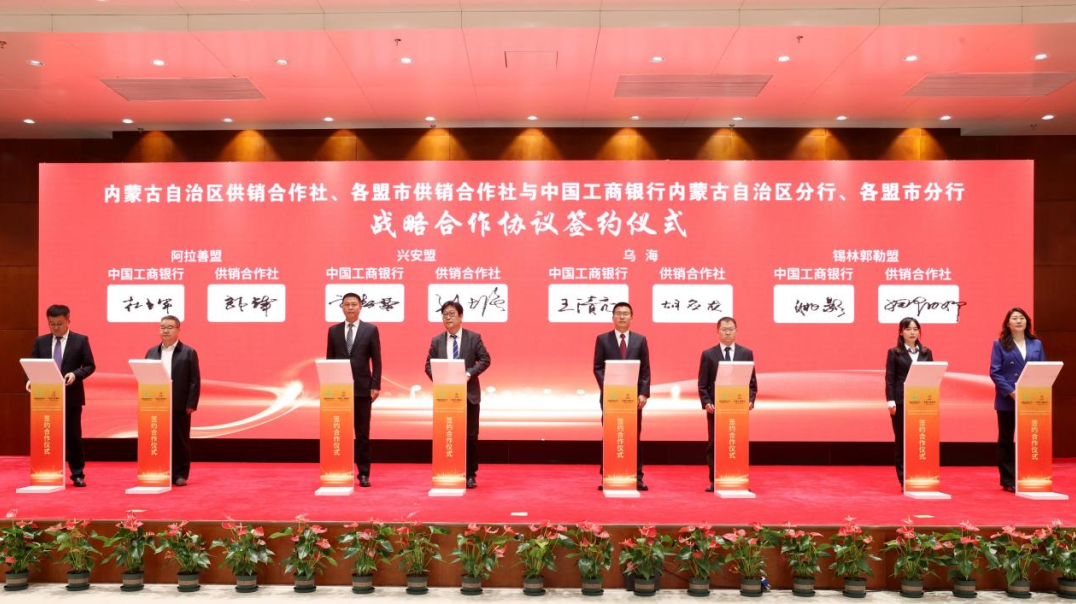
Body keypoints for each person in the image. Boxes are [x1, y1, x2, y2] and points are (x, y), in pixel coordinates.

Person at [424, 301, 491, 489]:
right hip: (445, 397)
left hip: (468, 395)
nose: (448, 317)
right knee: (447, 435)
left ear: (461, 316)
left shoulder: (473, 338)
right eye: (445, 314)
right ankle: (448, 470)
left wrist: (469, 373)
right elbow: (428, 365)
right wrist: (439, 377)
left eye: (452, 314)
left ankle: (470, 474)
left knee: (470, 436)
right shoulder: (437, 340)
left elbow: (485, 359)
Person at [29, 304, 96, 487]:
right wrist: (30, 380)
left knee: (73, 436)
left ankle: (77, 474)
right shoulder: (41, 341)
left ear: (68, 320)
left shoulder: (80, 340)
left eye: (59, 323)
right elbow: (32, 365)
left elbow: (90, 366)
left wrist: (76, 374)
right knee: (47, 434)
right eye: (52, 324)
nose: (56, 327)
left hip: (71, 397)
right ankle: (47, 471)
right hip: (45, 398)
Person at [593, 301, 651, 491]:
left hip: (633, 399)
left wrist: (643, 394)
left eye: (626, 313)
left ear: (632, 317)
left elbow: (645, 370)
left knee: (633, 436)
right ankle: (607, 475)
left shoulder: (640, 340)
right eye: (618, 313)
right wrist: (609, 389)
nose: (622, 316)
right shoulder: (603, 339)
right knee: (611, 435)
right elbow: (597, 368)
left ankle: (637, 477)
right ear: (613, 317)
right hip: (610, 398)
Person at [326, 292, 382, 487]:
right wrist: (329, 387)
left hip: (362, 389)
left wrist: (375, 385)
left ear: (360, 307)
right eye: (346, 304)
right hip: (338, 390)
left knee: (362, 434)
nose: (350, 307)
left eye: (353, 304)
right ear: (342, 307)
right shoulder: (333, 331)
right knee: (338, 431)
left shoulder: (370, 330)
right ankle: (339, 469)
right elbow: (330, 360)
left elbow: (377, 360)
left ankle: (363, 473)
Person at [697, 316, 757, 492]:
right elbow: (702, 384)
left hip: (738, 409)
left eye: (731, 329)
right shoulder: (709, 354)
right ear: (717, 332)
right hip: (716, 409)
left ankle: (739, 479)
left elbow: (752, 382)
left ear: (736, 331)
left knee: (737, 443)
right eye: (724, 329)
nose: (728, 333)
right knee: (715, 444)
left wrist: (750, 400)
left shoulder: (746, 353)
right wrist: (707, 402)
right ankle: (715, 480)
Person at [989, 307, 1045, 493]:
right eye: (1015, 318)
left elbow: (1042, 369)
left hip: (1032, 399)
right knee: (1006, 439)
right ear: (1008, 323)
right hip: (1008, 399)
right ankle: (1008, 479)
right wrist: (1011, 392)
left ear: (1027, 322)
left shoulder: (1037, 344)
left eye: (1022, 318)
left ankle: (1029, 475)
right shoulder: (999, 344)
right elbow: (995, 372)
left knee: (1030, 438)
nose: (1019, 321)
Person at [145, 315, 201, 487]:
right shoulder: (151, 352)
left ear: (178, 330)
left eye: (169, 327)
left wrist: (191, 403)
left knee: (180, 440)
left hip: (179, 403)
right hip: (155, 403)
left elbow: (194, 380)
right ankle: (162, 471)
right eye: (162, 327)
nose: (165, 330)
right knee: (159, 439)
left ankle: (180, 474)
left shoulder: (188, 352)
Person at [885, 317, 934, 489]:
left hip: (922, 402)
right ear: (901, 332)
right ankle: (903, 478)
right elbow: (890, 378)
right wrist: (890, 401)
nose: (912, 332)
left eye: (915, 329)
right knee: (902, 440)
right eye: (908, 329)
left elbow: (931, 375)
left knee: (920, 438)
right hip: (900, 401)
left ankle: (921, 473)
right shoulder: (894, 352)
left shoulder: (926, 352)